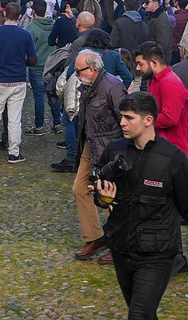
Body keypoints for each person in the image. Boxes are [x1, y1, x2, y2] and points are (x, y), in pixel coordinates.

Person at [94, 92, 188, 320]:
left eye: (129, 118)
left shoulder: (172, 158)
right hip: (121, 247)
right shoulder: (114, 150)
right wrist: (104, 199)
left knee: (138, 315)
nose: (122, 123)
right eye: (122, 116)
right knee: (143, 313)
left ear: (148, 120)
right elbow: (100, 196)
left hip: (156, 253)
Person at [63, 49, 127, 262]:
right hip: (90, 147)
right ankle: (95, 237)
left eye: (79, 70)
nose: (76, 74)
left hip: (110, 151)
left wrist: (122, 152)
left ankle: (118, 244)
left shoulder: (113, 86)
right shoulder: (87, 86)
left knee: (110, 196)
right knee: (80, 188)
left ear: (92, 69)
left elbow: (125, 120)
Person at [0, 0, 37, 163]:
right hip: (18, 80)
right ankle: (14, 152)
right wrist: (21, 63)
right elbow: (33, 59)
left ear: (4, 14)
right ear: (19, 16)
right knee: (14, 118)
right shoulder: (25, 35)